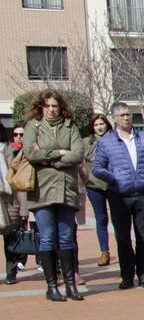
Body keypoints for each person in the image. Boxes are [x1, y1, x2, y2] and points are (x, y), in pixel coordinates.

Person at [21, 90, 86, 301]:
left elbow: (77, 154)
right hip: (42, 189)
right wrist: (59, 153)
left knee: (67, 237)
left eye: (54, 106)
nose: (51, 109)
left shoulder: (70, 127)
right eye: (47, 106)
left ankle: (70, 285)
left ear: (61, 107)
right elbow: (30, 153)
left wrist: (48, 159)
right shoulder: (33, 126)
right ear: (41, 107)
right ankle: (51, 286)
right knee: (48, 238)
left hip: (67, 189)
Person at [92, 102, 144, 292]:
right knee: (123, 238)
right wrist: (114, 179)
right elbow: (97, 168)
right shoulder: (106, 142)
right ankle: (127, 276)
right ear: (114, 118)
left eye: (128, 114)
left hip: (143, 194)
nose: (126, 117)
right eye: (122, 115)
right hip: (119, 196)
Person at [84, 114, 113, 267]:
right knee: (101, 219)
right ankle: (104, 252)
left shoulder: (115, 140)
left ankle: (125, 249)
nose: (99, 127)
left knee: (119, 218)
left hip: (113, 184)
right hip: (93, 185)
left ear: (107, 124)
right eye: (96, 125)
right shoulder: (86, 143)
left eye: (102, 124)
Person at [2, 122, 30, 284]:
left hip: (13, 201)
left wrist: (24, 209)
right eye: (16, 134)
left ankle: (11, 271)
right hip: (7, 200)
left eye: (22, 134)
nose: (19, 137)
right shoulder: (8, 152)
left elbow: (21, 183)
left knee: (11, 239)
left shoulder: (20, 153)